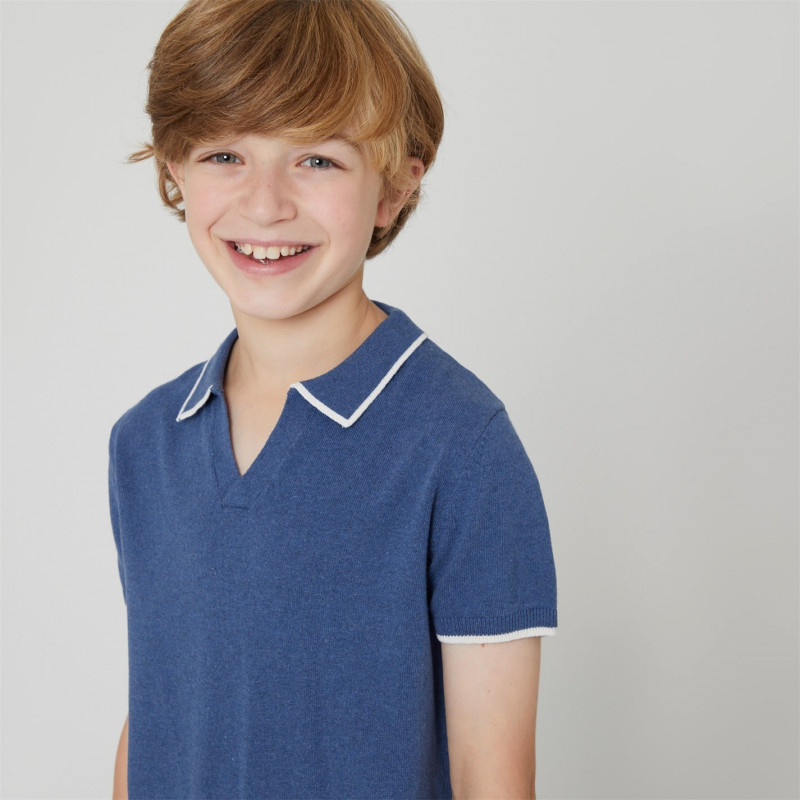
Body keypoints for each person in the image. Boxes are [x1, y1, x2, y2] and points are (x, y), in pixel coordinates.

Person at [109, 0, 557, 797]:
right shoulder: (146, 441)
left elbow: (492, 777)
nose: (265, 204)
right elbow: (159, 715)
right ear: (175, 171)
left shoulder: (462, 445)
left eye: (316, 159)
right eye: (224, 155)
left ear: (394, 188)